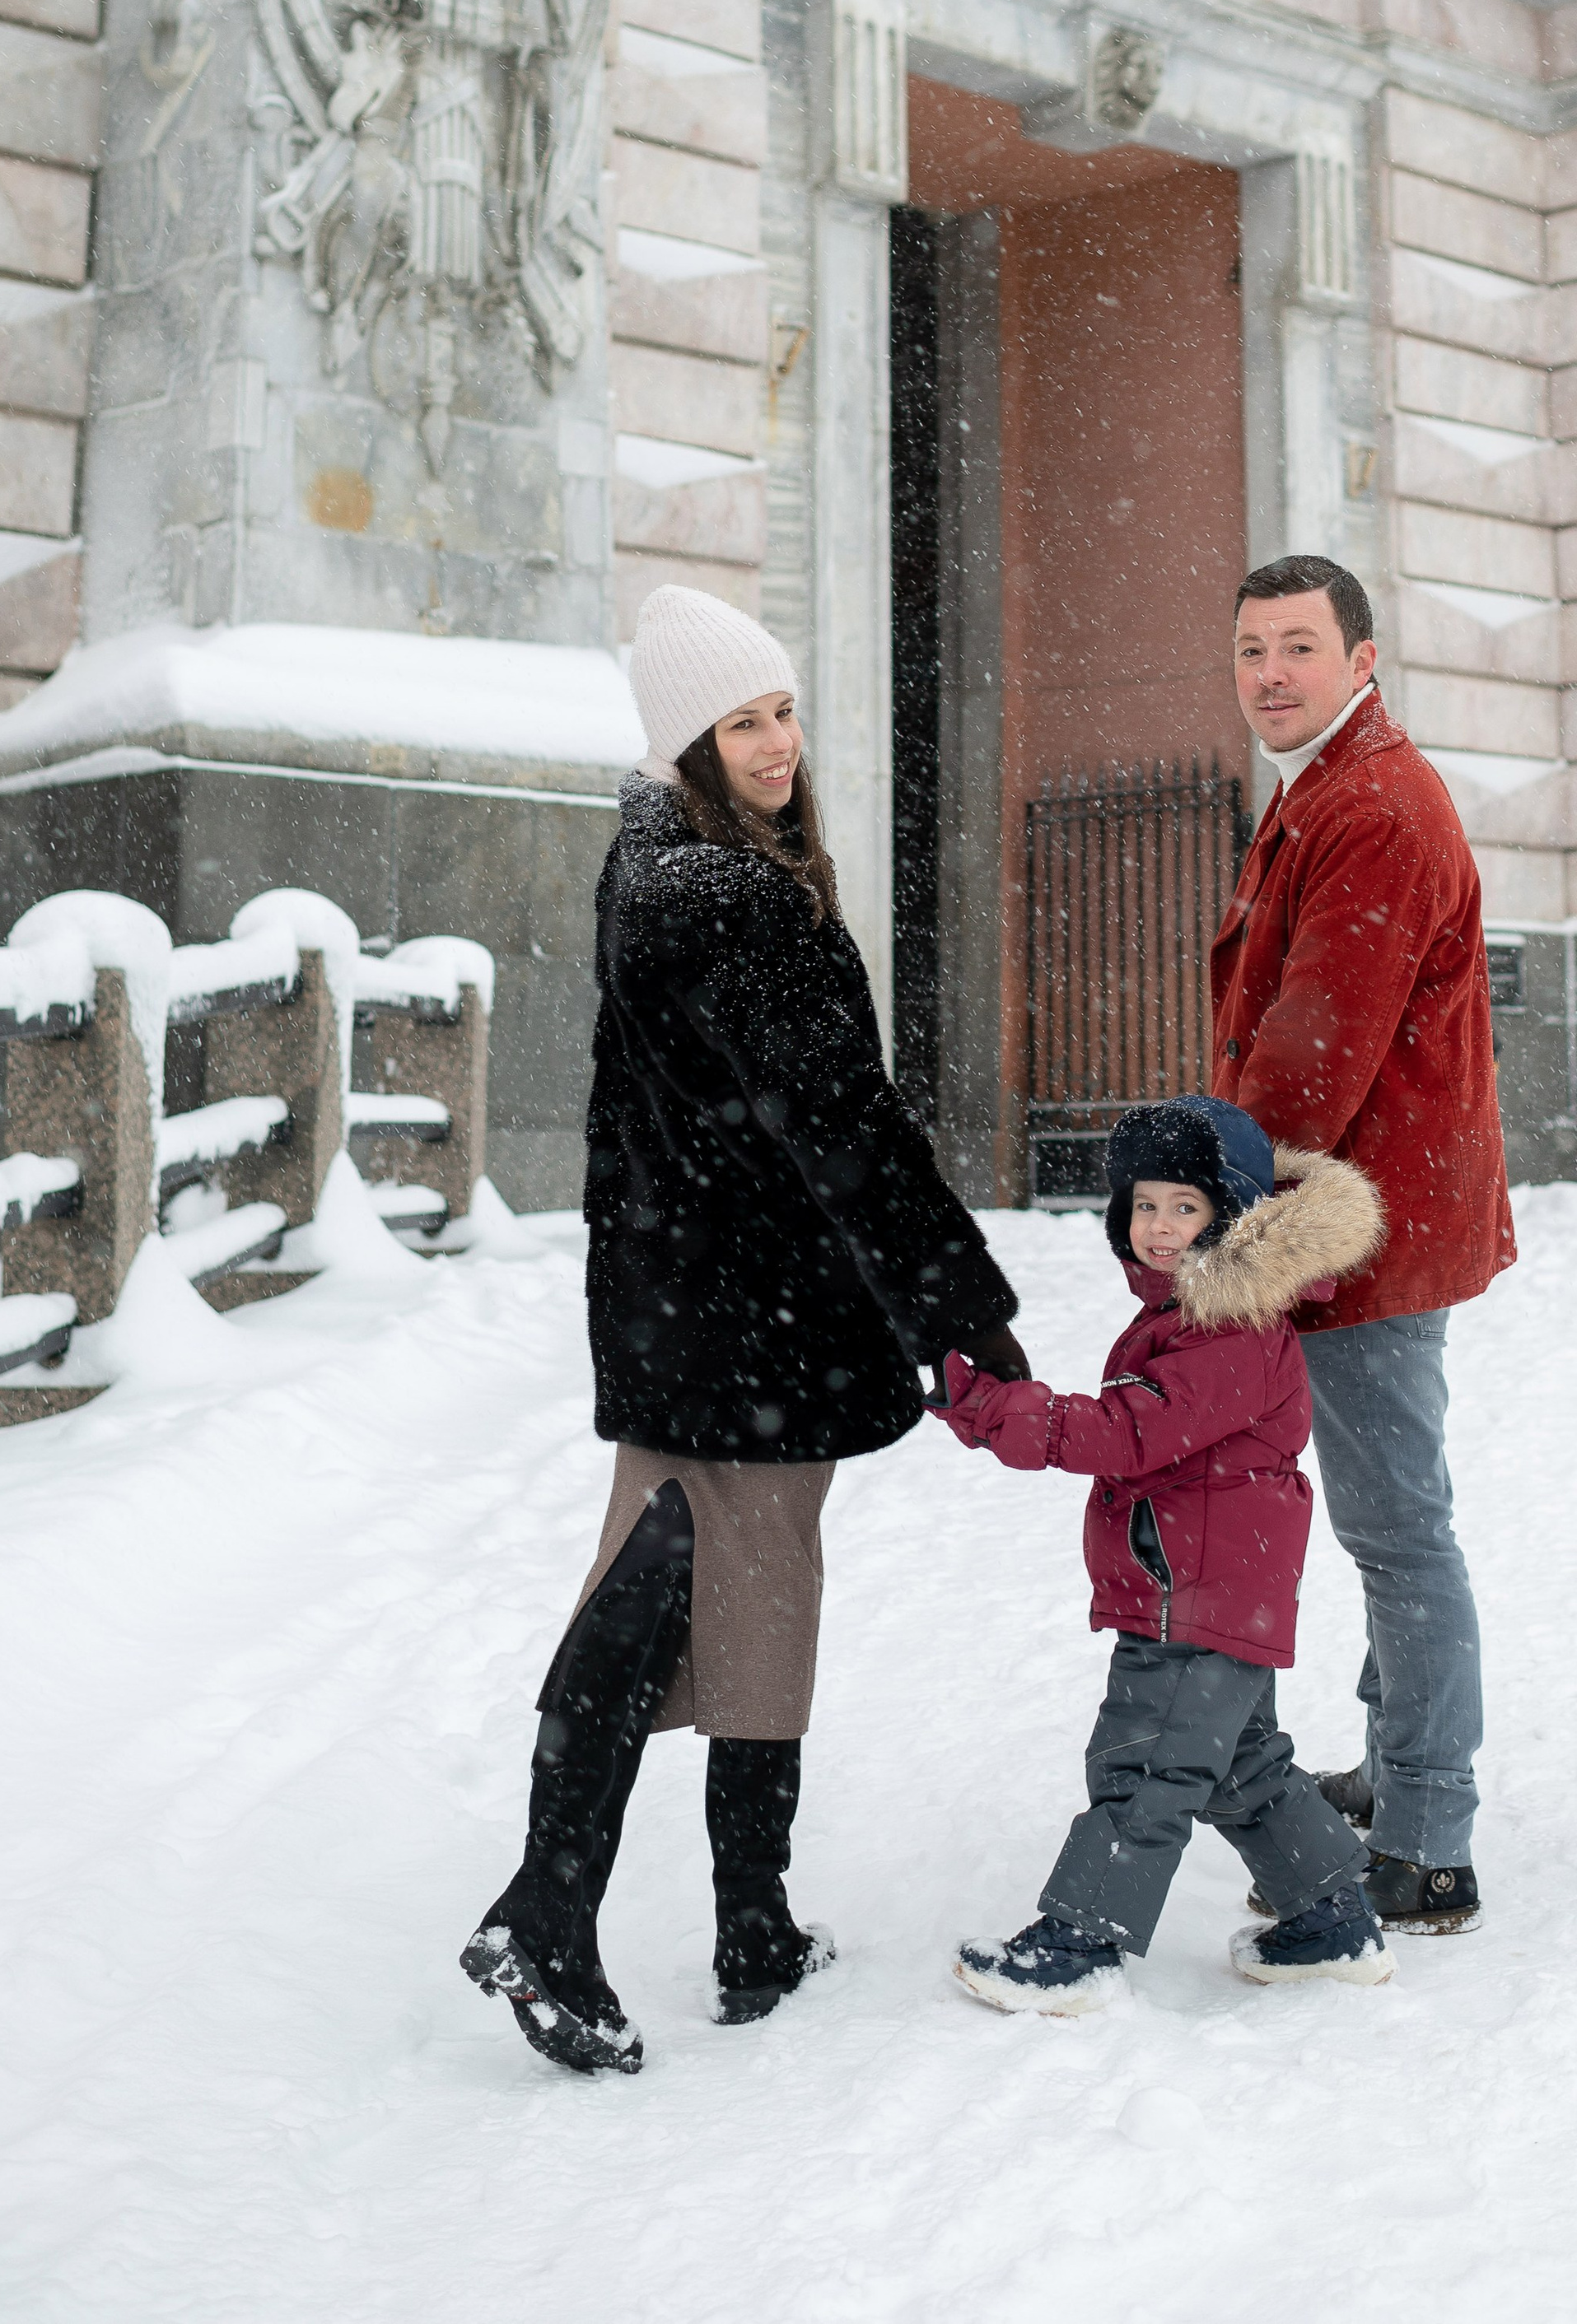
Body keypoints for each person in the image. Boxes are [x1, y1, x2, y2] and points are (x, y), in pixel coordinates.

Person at [462, 583, 1029, 2072]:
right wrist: (959, 1303)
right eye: (742, 723)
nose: (777, 743)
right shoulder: (728, 899)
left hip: (685, 1311)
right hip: (755, 1323)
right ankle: (647, 1919)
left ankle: (636, 1911)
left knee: (654, 1596)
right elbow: (844, 1125)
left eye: (783, 711)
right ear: (687, 745)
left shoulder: (655, 873)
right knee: (750, 1607)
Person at [1212, 554, 1514, 1934]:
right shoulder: (1326, 788)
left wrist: (1211, 1198)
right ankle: (1400, 1770)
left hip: (1367, 1228)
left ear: (1362, 659)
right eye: (1251, 649)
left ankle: (1430, 1840)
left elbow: (1314, 1051)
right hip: (1357, 1215)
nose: (1271, 672)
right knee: (1390, 1525)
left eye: (1298, 646)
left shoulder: (1373, 806)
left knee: (1398, 1534)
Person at [937, 1094, 1391, 2011]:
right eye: (1144, 1204)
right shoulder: (1191, 1312)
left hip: (1196, 1589)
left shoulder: (1231, 1326)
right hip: (1215, 1582)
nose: (1157, 1225)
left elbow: (1129, 1432)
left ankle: (1080, 1943)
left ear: (1233, 1216)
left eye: (1184, 1205)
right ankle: (1332, 1919)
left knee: (1145, 1763)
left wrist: (997, 1411)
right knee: (1237, 1766)